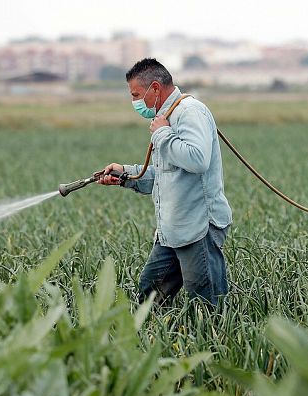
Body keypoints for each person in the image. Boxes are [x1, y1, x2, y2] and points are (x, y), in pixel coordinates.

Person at [97, 58, 232, 305]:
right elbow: (165, 176)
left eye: (136, 95)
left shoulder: (189, 112)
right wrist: (124, 175)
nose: (135, 102)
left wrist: (162, 133)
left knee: (205, 303)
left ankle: (216, 342)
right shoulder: (166, 117)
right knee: (150, 293)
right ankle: (153, 340)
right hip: (173, 230)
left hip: (198, 226)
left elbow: (197, 159)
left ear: (156, 88)